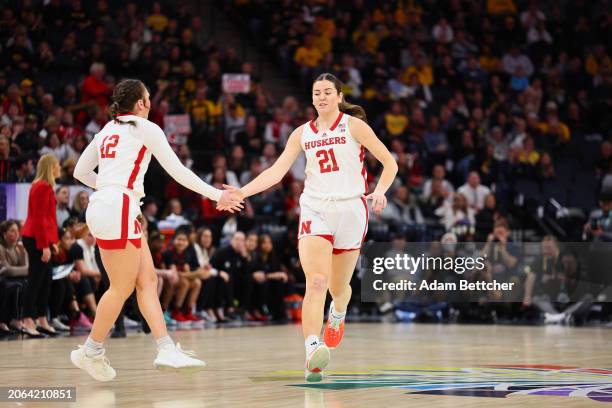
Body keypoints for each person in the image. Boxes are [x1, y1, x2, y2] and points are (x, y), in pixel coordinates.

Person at [72, 79, 243, 381]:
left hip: (106, 204)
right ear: (140, 103)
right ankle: (91, 351)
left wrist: (109, 189)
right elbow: (178, 171)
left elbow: (80, 171)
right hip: (119, 205)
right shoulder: (144, 128)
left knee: (147, 280)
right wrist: (218, 195)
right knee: (121, 287)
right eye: (149, 98)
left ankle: (165, 347)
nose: (151, 103)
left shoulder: (106, 130)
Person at [235, 73, 397, 381]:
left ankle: (337, 313)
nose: (321, 97)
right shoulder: (301, 133)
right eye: (316, 93)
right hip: (315, 208)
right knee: (317, 281)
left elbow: (390, 163)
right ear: (312, 98)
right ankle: (312, 349)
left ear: (338, 96)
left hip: (351, 209)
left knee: (339, 289)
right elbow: (276, 171)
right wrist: (242, 192)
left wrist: (380, 190)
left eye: (327, 92)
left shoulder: (354, 126)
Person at [20, 154, 61, 338]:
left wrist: (53, 243)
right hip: (35, 238)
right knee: (35, 281)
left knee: (46, 280)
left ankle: (41, 318)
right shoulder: (42, 187)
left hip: (42, 238)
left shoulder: (46, 187)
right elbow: (39, 219)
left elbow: (49, 219)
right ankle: (27, 319)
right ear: (50, 167)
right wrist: (44, 245)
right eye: (57, 165)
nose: (59, 168)